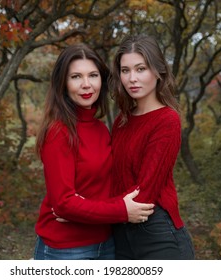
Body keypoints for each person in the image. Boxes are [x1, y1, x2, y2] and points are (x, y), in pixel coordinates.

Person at [34, 43, 154, 260]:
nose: (86, 84)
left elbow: (104, 189)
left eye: (93, 75)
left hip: (106, 244)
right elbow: (63, 204)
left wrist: (82, 209)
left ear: (102, 80)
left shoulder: (100, 129)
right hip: (66, 249)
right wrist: (121, 211)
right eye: (76, 77)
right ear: (63, 83)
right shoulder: (58, 132)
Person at [109, 34, 195, 260]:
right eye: (125, 70)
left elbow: (145, 192)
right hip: (120, 229)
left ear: (158, 71)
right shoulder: (122, 121)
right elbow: (112, 178)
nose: (131, 78)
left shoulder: (167, 120)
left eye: (140, 69)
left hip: (156, 232)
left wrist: (96, 211)